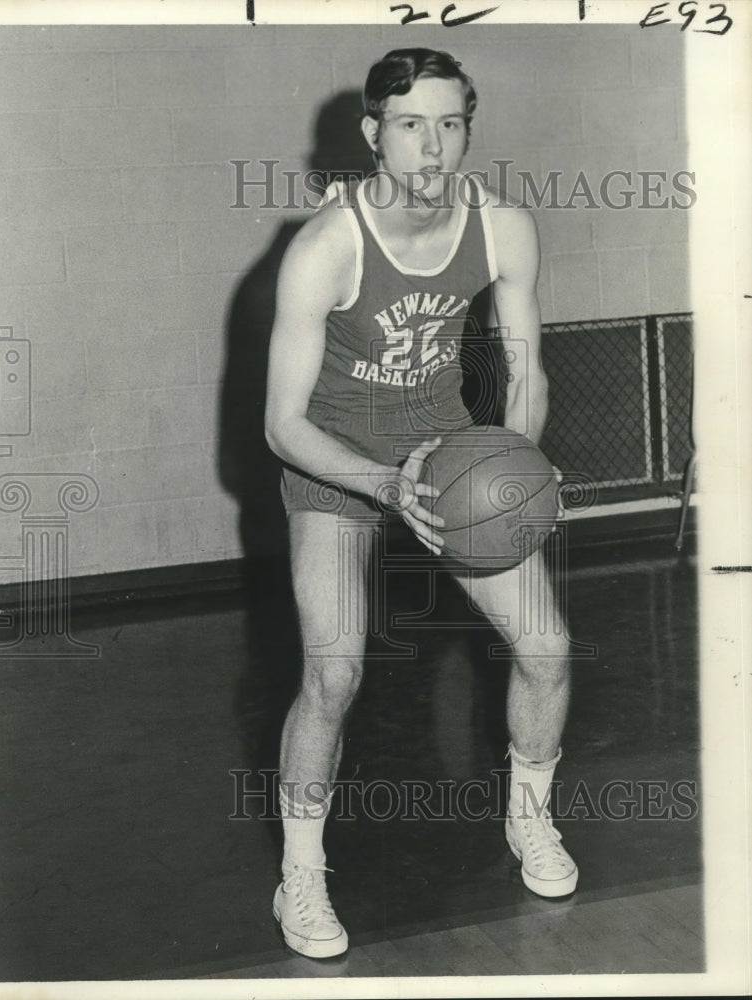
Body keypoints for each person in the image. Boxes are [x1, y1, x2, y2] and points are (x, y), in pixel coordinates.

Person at [264, 48, 576, 960]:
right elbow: (282, 425)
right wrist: (385, 489)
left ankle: (530, 821)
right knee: (333, 674)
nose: (431, 146)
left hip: (445, 448)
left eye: (449, 124)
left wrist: (516, 461)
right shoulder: (324, 248)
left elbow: (523, 372)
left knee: (548, 649)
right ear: (373, 135)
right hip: (333, 463)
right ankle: (301, 877)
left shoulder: (504, 227)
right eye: (410, 125)